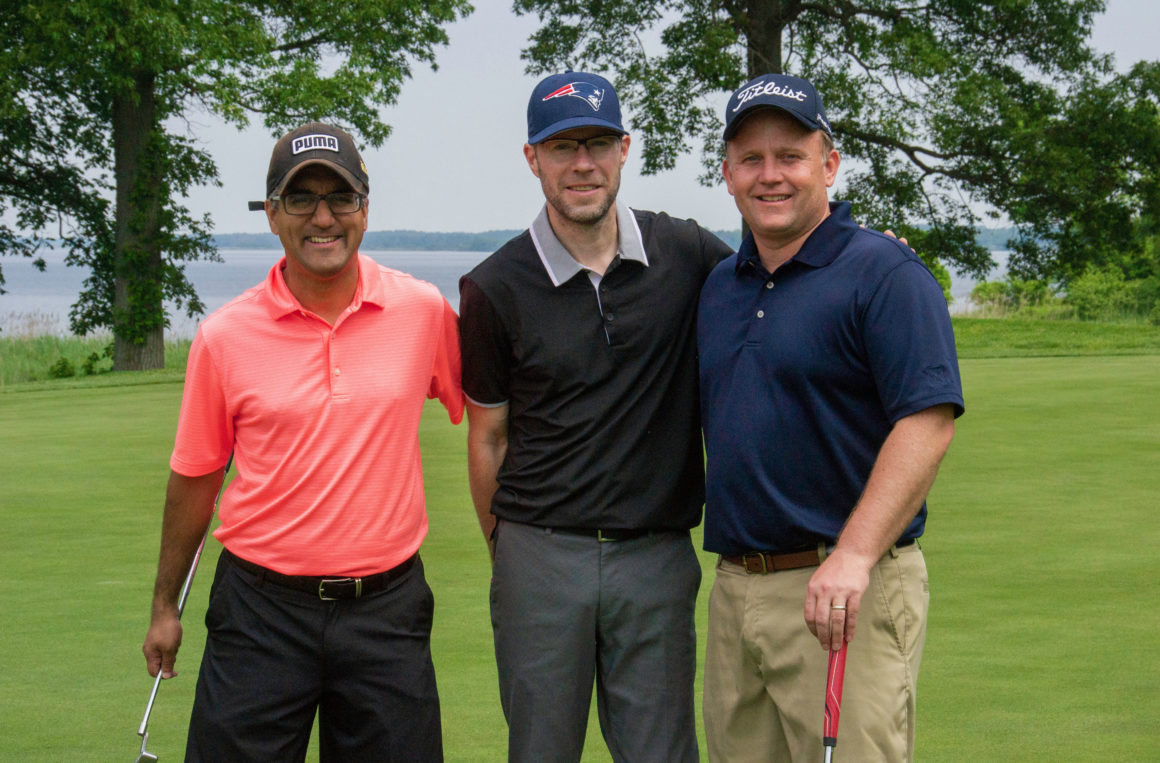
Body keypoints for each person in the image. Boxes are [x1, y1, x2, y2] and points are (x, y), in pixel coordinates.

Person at [140, 122, 463, 761]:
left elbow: (492, 414)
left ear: (365, 210)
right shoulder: (224, 336)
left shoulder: (422, 312)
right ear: (271, 215)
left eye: (340, 198)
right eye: (300, 199)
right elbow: (197, 479)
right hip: (260, 613)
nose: (323, 217)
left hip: (386, 612)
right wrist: (164, 605)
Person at [458, 71, 732, 762]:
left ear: (624, 149)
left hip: (656, 555)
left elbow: (777, 282)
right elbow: (488, 437)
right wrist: (512, 554)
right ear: (533, 158)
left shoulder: (688, 253)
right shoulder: (493, 287)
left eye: (598, 143)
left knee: (662, 752)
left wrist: (863, 254)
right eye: (561, 147)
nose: (582, 163)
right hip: (539, 553)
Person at [697, 73, 964, 762]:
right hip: (735, 592)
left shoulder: (884, 273)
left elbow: (928, 421)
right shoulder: (720, 287)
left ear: (829, 163)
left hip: (847, 592)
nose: (770, 175)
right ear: (726, 174)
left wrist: (853, 553)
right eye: (751, 160)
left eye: (790, 155)